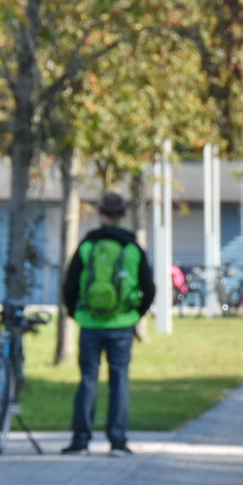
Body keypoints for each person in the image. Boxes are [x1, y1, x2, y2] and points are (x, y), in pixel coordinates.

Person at [61, 191, 156, 456]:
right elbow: (149, 287)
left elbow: (70, 285)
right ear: (124, 214)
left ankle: (81, 440)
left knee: (88, 380)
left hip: (90, 323)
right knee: (119, 380)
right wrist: (136, 314)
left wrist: (74, 313)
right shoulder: (131, 247)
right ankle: (117, 441)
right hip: (122, 323)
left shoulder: (88, 245)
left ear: (100, 213)